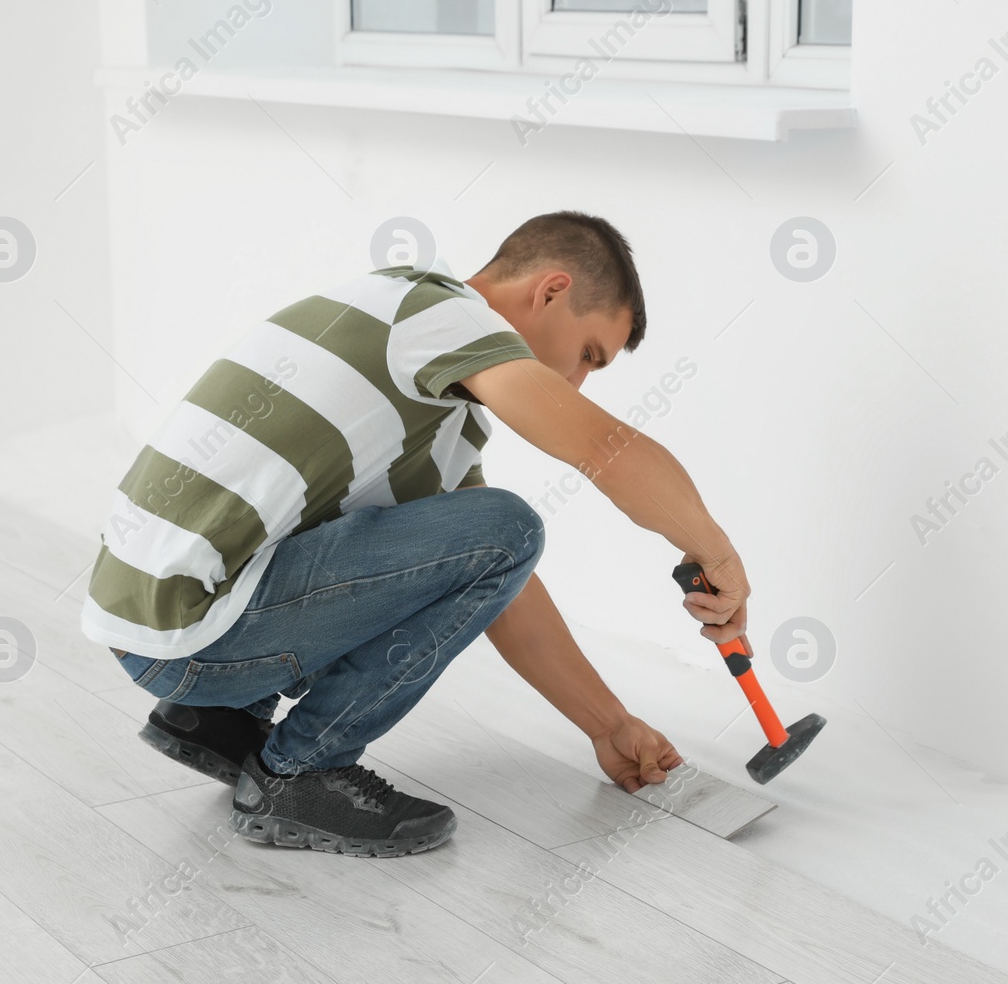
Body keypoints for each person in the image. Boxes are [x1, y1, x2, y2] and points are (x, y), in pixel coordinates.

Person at [80, 210, 753, 857]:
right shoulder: (439, 315)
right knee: (508, 525)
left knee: (489, 536)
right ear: (552, 290)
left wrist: (610, 725)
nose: (576, 381)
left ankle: (217, 718)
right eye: (588, 354)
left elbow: (501, 589)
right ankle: (297, 775)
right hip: (193, 630)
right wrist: (714, 550)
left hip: (156, 622)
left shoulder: (410, 357)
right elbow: (597, 444)